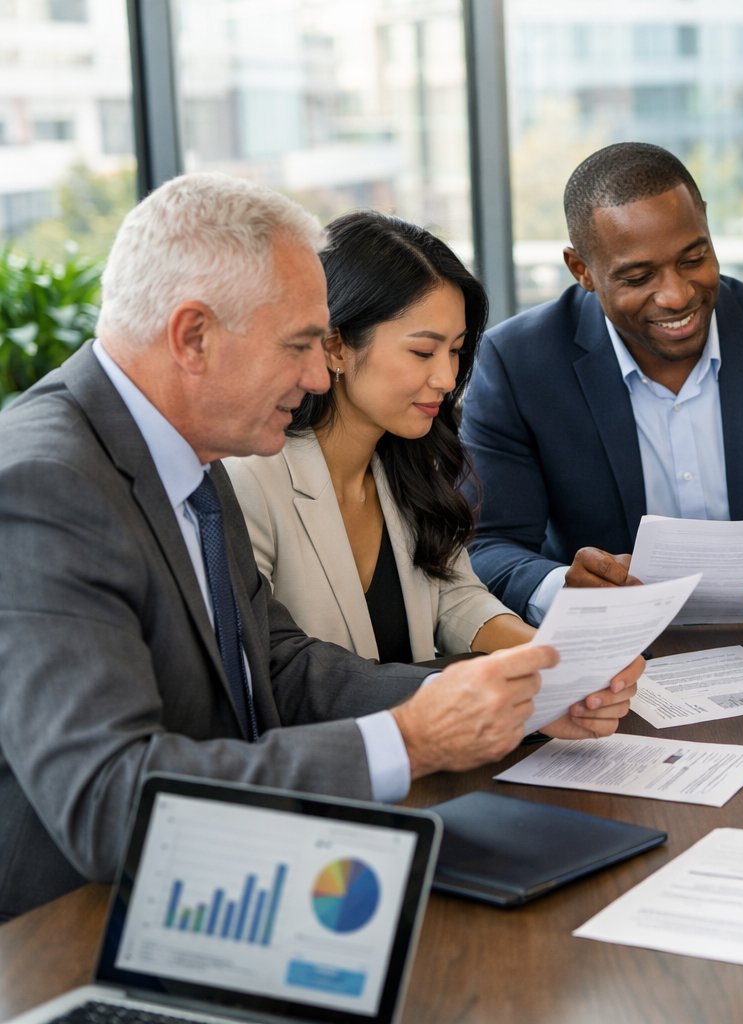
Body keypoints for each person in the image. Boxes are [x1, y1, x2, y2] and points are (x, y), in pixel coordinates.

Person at [0, 174, 637, 921]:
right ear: (193, 335)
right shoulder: (44, 484)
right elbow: (108, 803)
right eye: (300, 344)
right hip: (71, 932)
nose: (315, 375)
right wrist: (404, 740)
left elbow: (278, 663)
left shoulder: (187, 458)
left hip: (219, 885)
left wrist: (499, 700)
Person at [459, 141, 743, 636]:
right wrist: (560, 588)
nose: (677, 295)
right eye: (638, 276)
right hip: (619, 658)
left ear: (706, 227)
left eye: (693, 258)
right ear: (582, 271)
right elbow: (488, 546)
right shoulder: (517, 364)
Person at [227, 211, 535, 663]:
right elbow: (273, 667)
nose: (448, 378)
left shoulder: (407, 458)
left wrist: (553, 655)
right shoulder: (248, 481)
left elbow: (456, 598)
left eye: (455, 350)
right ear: (335, 346)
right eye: (423, 352)